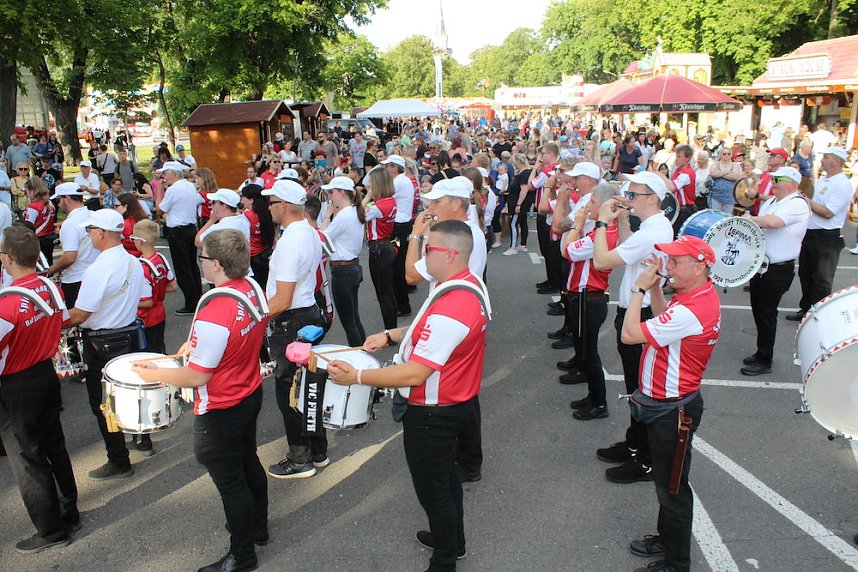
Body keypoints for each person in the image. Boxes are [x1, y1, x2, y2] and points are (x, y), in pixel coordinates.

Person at [327, 220, 489, 572]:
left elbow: (416, 372)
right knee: (445, 480)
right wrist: (389, 335)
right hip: (454, 403)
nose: (422, 256)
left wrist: (356, 375)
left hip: (433, 410)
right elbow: (427, 326)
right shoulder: (465, 286)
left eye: (428, 249)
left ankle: (445, 559)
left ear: (448, 255)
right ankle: (453, 541)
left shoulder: (453, 305)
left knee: (434, 491)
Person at [133, 230, 268, 572]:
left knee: (230, 481)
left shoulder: (215, 310)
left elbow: (196, 378)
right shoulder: (250, 288)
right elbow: (239, 334)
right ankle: (258, 528)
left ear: (217, 264)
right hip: (249, 390)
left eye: (203, 258)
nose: (200, 264)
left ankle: (243, 554)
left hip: (221, 406)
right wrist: (196, 345)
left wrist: (154, 373)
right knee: (248, 461)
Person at [620, 235, 721, 572]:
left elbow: (630, 335)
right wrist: (655, 291)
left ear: (701, 265)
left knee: (673, 487)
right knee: (668, 480)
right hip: (669, 404)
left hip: (673, 409)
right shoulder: (694, 296)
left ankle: (678, 563)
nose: (670, 267)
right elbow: (666, 320)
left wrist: (638, 289)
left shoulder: (694, 307)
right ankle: (667, 540)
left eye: (677, 262)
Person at [0, 225, 80, 554]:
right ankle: (68, 510)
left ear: (7, 259)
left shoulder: (7, 303)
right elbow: (61, 320)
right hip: (45, 373)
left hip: (18, 382)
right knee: (54, 444)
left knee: (27, 457)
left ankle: (50, 529)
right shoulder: (47, 285)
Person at [591, 171, 674, 484]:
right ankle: (636, 442)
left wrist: (601, 222)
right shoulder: (651, 227)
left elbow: (602, 260)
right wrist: (621, 219)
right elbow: (628, 245)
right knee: (636, 385)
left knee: (642, 388)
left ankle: (646, 459)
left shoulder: (653, 231)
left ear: (652, 198)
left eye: (634, 194)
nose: (627, 196)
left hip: (640, 314)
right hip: (634, 311)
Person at [64, 209, 152, 477]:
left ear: (100, 233)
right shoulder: (133, 261)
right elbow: (145, 299)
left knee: (102, 403)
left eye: (91, 230)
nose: (90, 234)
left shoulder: (98, 268)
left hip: (102, 341)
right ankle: (142, 440)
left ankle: (118, 459)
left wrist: (52, 324)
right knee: (129, 394)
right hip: (128, 333)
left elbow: (80, 313)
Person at [261, 179, 329, 479]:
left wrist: (254, 318)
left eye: (272, 202)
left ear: (284, 206)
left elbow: (282, 298)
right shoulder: (308, 230)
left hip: (292, 320)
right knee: (307, 387)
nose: (269, 207)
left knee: (289, 392)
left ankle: (300, 458)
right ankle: (318, 450)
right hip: (305, 314)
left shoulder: (291, 241)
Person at [558, 183, 620, 421]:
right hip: (584, 297)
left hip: (589, 297)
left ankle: (599, 402)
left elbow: (567, 250)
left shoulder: (600, 236)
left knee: (589, 353)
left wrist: (578, 223)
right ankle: (593, 396)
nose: (587, 205)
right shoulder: (602, 232)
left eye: (593, 202)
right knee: (584, 349)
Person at [741, 166, 810, 376]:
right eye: (773, 179)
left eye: (778, 179)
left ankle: (765, 359)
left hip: (778, 268)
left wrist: (750, 219)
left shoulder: (797, 203)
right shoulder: (772, 201)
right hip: (762, 265)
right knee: (759, 311)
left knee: (767, 313)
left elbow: (773, 222)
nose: (774, 183)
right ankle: (761, 352)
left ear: (792, 183)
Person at [788, 147, 852, 321]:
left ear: (837, 161)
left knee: (821, 279)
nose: (822, 160)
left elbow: (828, 212)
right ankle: (806, 310)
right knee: (806, 275)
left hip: (827, 237)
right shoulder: (823, 181)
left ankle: (819, 316)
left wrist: (805, 200)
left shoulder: (842, 184)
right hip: (811, 234)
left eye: (826, 157)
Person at [321, 176, 367, 347]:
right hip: (352, 267)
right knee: (354, 318)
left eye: (332, 192)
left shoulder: (344, 216)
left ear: (341, 193)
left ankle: (358, 359)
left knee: (349, 323)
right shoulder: (354, 211)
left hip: (343, 270)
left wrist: (327, 216)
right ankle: (363, 353)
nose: (330, 196)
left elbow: (322, 237)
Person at [157, 161, 203, 315]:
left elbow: (160, 209)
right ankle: (197, 298)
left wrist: (158, 190)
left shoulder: (172, 190)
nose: (164, 176)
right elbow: (197, 201)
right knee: (192, 266)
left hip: (178, 231)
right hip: (190, 228)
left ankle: (191, 303)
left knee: (183, 269)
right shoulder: (189, 186)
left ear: (174, 173)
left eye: (166, 173)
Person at [45, 183, 100, 306]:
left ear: (67, 199)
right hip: (95, 276)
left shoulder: (70, 224)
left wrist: (50, 271)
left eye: (59, 200)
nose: (58, 204)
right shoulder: (93, 215)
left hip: (76, 280)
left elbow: (69, 257)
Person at [131, 219, 176, 354]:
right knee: (160, 347)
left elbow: (147, 302)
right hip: (160, 314)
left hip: (146, 319)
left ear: (140, 241)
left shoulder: (142, 267)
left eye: (133, 238)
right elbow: (172, 286)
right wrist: (157, 290)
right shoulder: (161, 258)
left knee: (149, 353)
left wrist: (128, 301)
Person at [363, 167, 399, 330]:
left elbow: (359, 215)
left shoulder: (378, 206)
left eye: (371, 183)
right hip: (386, 246)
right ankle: (391, 327)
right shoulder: (390, 200)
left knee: (382, 292)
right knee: (388, 290)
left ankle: (389, 330)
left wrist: (368, 196)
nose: (368, 186)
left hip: (378, 248)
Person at [382, 155, 415, 317]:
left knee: (396, 267)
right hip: (403, 224)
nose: (385, 169)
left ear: (394, 168)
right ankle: (402, 302)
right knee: (399, 264)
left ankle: (402, 304)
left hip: (399, 226)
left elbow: (382, 198)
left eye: (387, 166)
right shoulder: (404, 180)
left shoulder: (398, 182)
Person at [529, 143, 562, 293]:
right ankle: (552, 280)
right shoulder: (554, 169)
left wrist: (535, 168)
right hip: (548, 210)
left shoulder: (548, 171)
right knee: (548, 249)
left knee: (548, 248)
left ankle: (554, 281)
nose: (541, 157)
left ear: (551, 154)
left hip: (546, 211)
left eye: (543, 154)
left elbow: (531, 185)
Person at [241, 184, 275, 288]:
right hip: (266, 253)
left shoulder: (246, 215)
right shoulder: (268, 212)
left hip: (252, 257)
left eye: (243, 197)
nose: (241, 200)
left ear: (251, 200)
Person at [658, 144, 696, 235]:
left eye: (679, 156)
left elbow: (673, 187)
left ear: (688, 158)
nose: (676, 159)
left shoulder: (688, 173)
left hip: (685, 210)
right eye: (676, 156)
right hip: (677, 208)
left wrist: (660, 175)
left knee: (678, 235)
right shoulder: (678, 170)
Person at [504, 154, 533, 255]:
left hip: (519, 202)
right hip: (516, 201)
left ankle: (513, 247)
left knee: (513, 223)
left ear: (518, 162)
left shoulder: (525, 173)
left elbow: (524, 190)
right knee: (523, 222)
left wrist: (518, 204)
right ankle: (523, 244)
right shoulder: (521, 173)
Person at [23, 177, 56, 264]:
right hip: (49, 237)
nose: (27, 195)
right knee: (48, 263)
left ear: (32, 191)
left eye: (26, 192)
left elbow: (28, 226)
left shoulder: (34, 207)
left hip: (38, 240)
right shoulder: (49, 203)